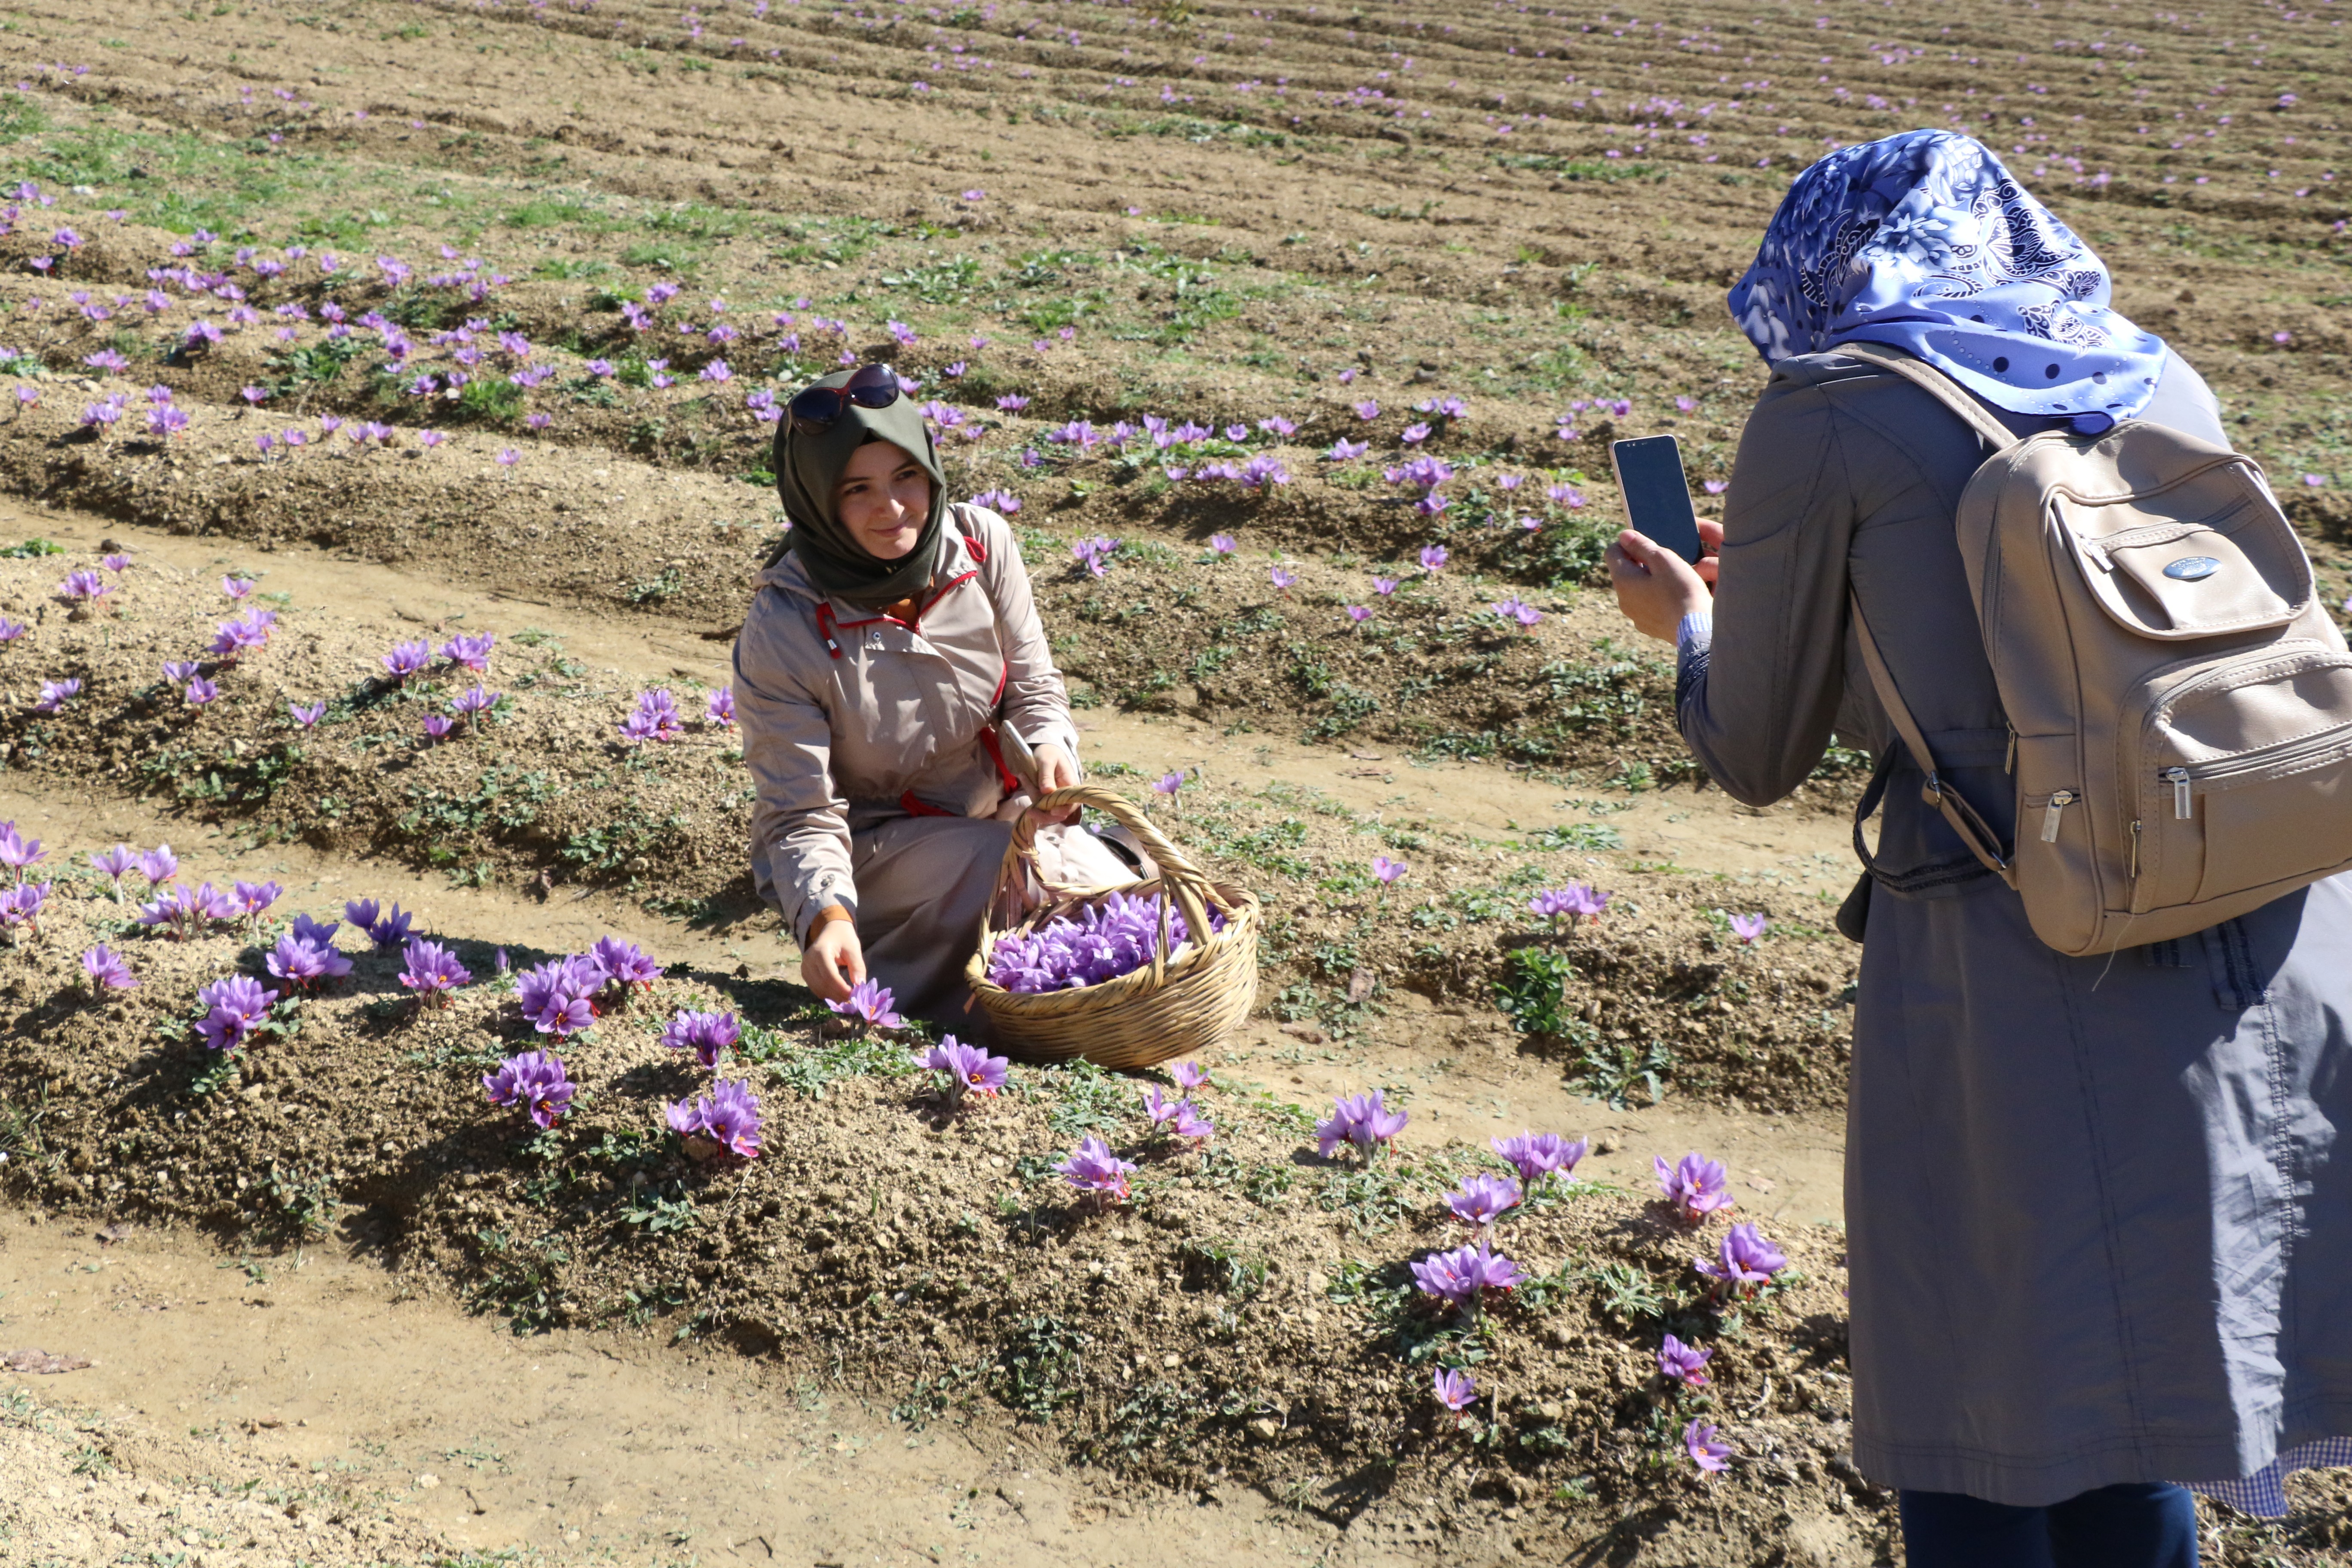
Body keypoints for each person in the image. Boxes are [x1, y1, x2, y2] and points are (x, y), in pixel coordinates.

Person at [1606, 131, 2351, 1567]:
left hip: (2012, 956)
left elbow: (1755, 744)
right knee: (2129, 1408)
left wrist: (1694, 619)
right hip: (2224, 903)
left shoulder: (1827, 410)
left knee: (1976, 1402)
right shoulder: (2142, 370)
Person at [734, 364, 1136, 1039]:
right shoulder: (785, 629)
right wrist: (827, 916)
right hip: (867, 853)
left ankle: (1094, 1006)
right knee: (999, 871)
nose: (891, 509)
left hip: (990, 815)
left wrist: (1049, 745)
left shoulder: (980, 545)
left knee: (1114, 888)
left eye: (906, 478)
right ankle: (979, 1014)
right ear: (815, 501)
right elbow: (800, 816)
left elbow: (1033, 686)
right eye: (856, 489)